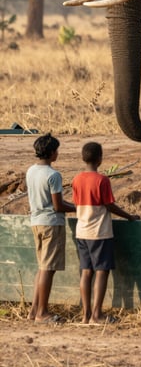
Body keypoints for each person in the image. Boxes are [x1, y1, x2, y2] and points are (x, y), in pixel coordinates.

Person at [71, 141, 139, 325]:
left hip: (82, 231)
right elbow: (109, 204)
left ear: (83, 158)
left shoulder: (76, 179)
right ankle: (97, 314)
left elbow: (77, 204)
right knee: (101, 272)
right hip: (99, 232)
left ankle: (85, 315)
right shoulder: (102, 180)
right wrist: (129, 216)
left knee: (86, 272)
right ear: (100, 159)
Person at [26, 133, 76, 323]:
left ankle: (34, 311)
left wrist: (68, 204)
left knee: (41, 268)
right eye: (57, 150)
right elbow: (58, 206)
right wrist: (77, 208)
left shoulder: (31, 171)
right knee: (48, 269)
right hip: (51, 223)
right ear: (52, 152)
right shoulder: (53, 175)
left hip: (36, 222)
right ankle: (42, 313)